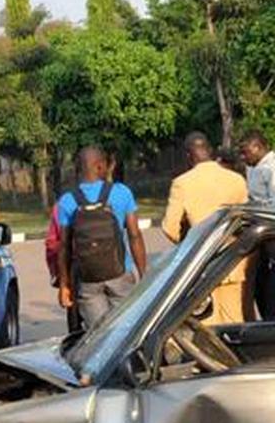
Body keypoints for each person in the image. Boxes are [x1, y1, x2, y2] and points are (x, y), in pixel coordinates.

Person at [162, 132, 251, 325]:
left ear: (188, 155)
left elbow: (169, 228)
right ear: (210, 151)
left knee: (207, 325)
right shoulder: (236, 179)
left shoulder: (182, 183)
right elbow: (246, 221)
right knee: (233, 321)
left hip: (201, 263)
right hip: (233, 260)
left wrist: (190, 244)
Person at [57, 146, 148, 329]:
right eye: (106, 164)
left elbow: (64, 247)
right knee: (126, 332)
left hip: (88, 279)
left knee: (100, 336)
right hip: (121, 273)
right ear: (99, 166)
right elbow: (134, 235)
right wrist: (144, 273)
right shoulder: (121, 193)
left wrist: (64, 284)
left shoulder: (67, 200)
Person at [242, 131, 275, 317]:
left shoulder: (271, 168)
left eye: (246, 152)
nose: (243, 157)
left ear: (258, 147)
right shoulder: (255, 167)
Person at [44, 204, 82, 332]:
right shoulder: (118, 194)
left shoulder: (65, 203)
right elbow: (133, 235)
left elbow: (52, 245)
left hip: (76, 275)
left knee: (77, 333)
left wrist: (61, 281)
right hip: (117, 273)